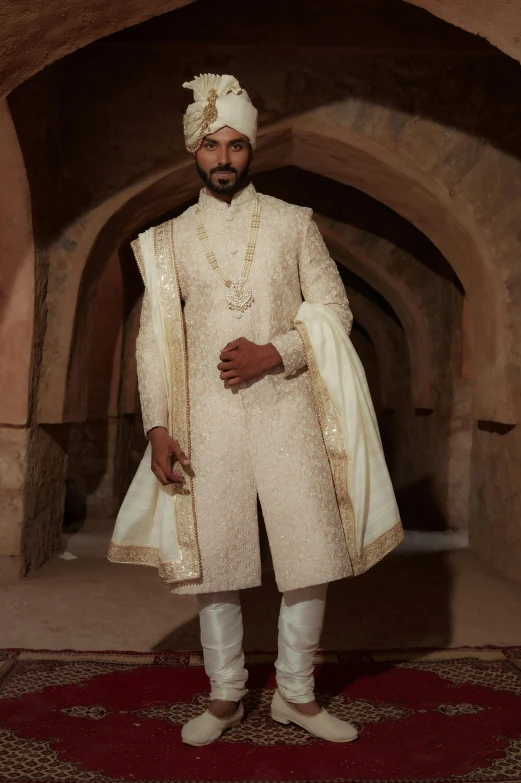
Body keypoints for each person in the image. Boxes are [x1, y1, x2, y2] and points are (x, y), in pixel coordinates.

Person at [109, 73, 403, 747]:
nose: (223, 159)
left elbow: (335, 309)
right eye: (212, 145)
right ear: (194, 150)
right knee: (216, 560)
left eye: (237, 146)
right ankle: (225, 694)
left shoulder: (294, 224)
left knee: (309, 552)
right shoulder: (169, 240)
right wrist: (156, 423)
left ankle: (296, 695)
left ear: (252, 149)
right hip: (205, 419)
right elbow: (154, 339)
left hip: (289, 409)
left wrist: (277, 351)